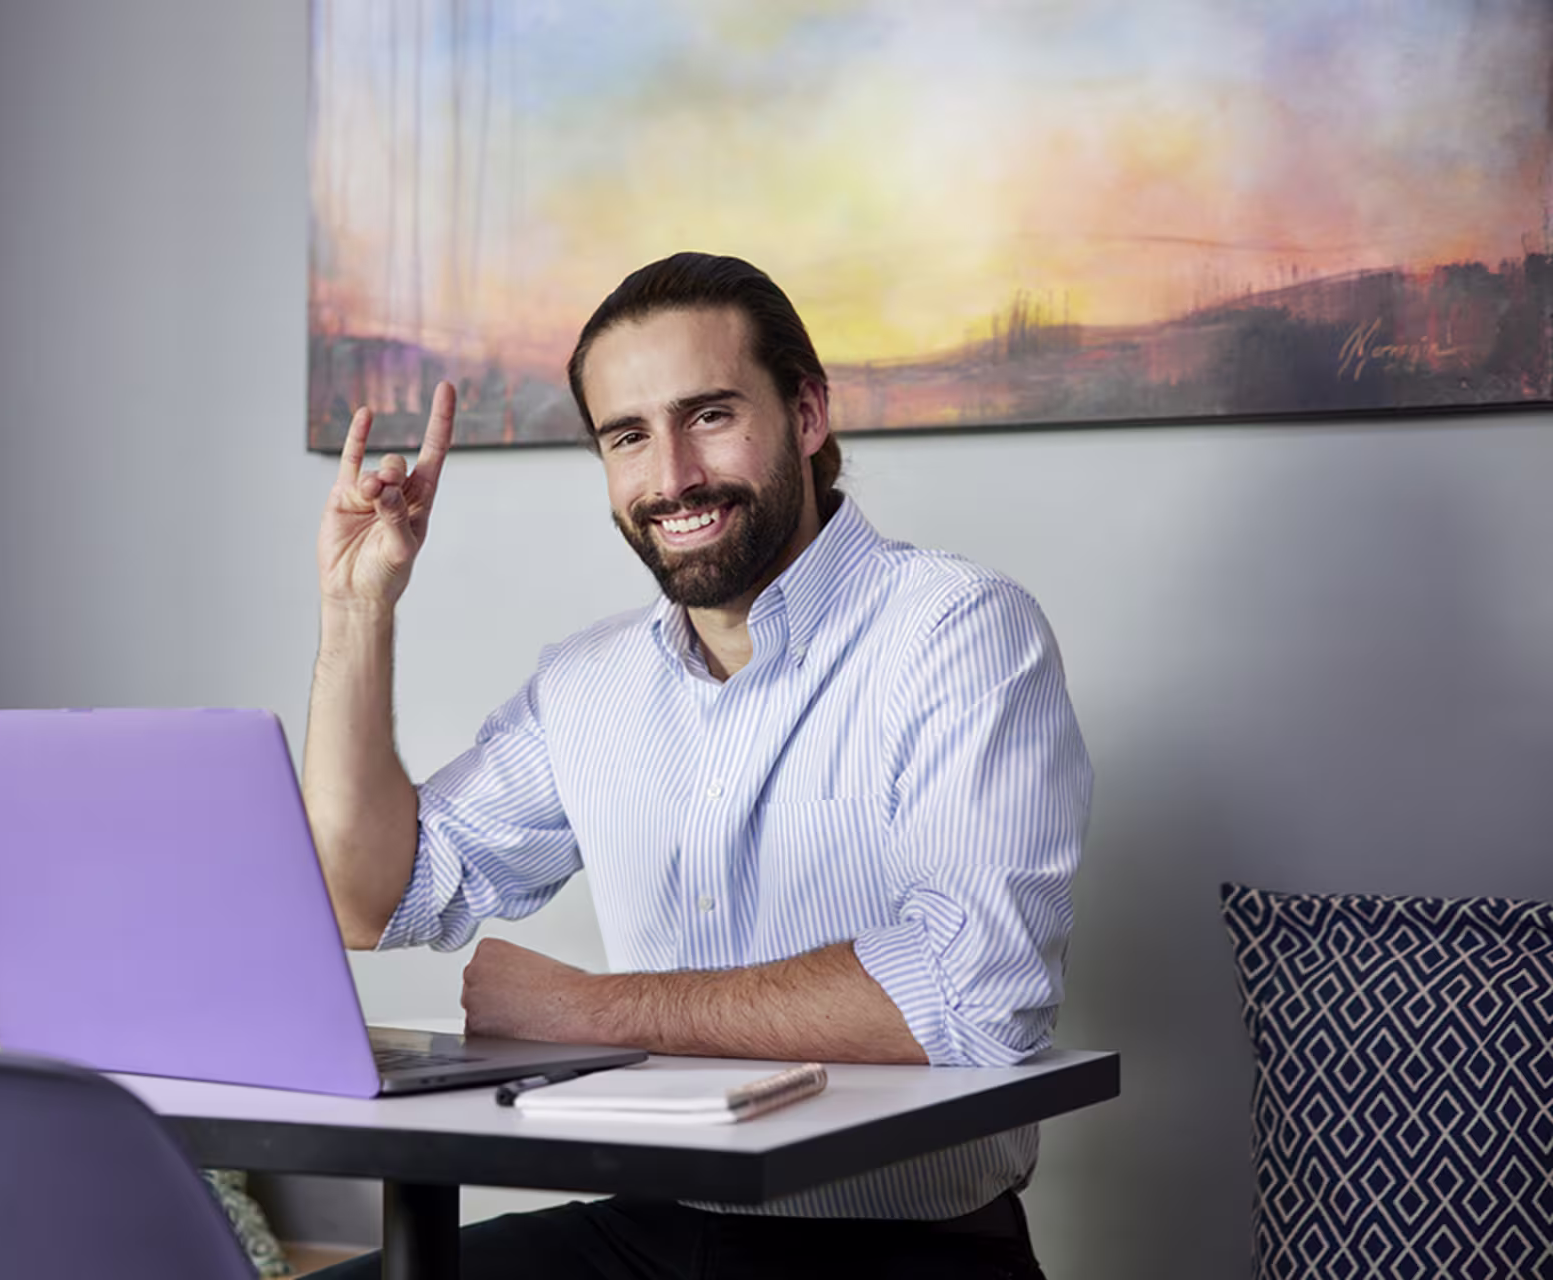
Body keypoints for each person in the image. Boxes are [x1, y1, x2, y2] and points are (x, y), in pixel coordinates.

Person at [303, 253, 1092, 1279]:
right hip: (644, 1229)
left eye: (709, 415)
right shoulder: (588, 681)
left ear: (807, 413)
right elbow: (367, 890)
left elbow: (978, 988)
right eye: (628, 436)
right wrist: (358, 610)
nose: (670, 476)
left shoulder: (959, 633)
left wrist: (592, 1012)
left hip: (901, 1253)